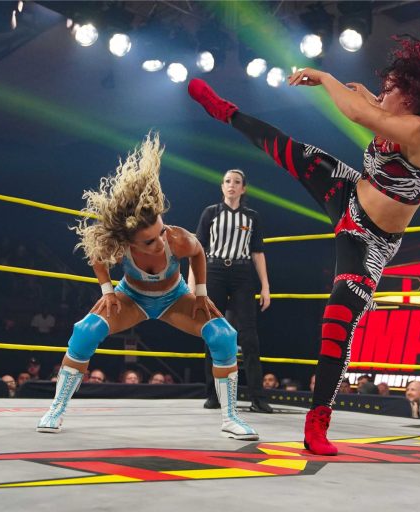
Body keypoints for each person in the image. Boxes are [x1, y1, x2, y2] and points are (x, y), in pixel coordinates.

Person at [188, 30, 420, 455]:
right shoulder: (393, 114)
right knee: (287, 148)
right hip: (347, 192)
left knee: (337, 321)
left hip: (370, 241)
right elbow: (369, 107)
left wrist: (327, 79)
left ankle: (318, 421)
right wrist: (369, 95)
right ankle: (225, 111)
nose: (382, 94)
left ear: (411, 97)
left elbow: (360, 114)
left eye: (390, 89)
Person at [37, 134, 257, 440]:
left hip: (175, 298)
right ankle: (56, 409)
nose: (160, 241)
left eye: (160, 231)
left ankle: (231, 418)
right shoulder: (119, 246)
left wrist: (201, 294)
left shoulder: (176, 238)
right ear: (129, 241)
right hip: (132, 298)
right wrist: (107, 291)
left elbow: (198, 253)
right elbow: (97, 256)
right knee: (85, 331)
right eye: (150, 240)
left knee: (224, 335)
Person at [190, 169, 273, 413]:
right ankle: (213, 394)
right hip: (214, 270)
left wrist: (265, 286)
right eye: (227, 181)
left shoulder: (252, 217)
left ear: (243, 188)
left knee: (249, 336)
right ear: (222, 186)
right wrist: (192, 284)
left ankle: (257, 397)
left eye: (237, 182)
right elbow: (197, 250)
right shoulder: (211, 213)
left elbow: (258, 252)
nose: (231, 185)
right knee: (212, 331)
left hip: (242, 273)